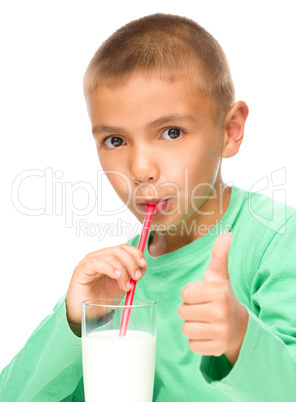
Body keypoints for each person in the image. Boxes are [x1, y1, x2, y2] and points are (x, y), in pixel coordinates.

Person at [1, 12, 296, 401]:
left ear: (230, 130)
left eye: (172, 132)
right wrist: (75, 324)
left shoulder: (277, 238)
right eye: (115, 141)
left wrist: (241, 337)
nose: (140, 169)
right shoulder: (115, 281)